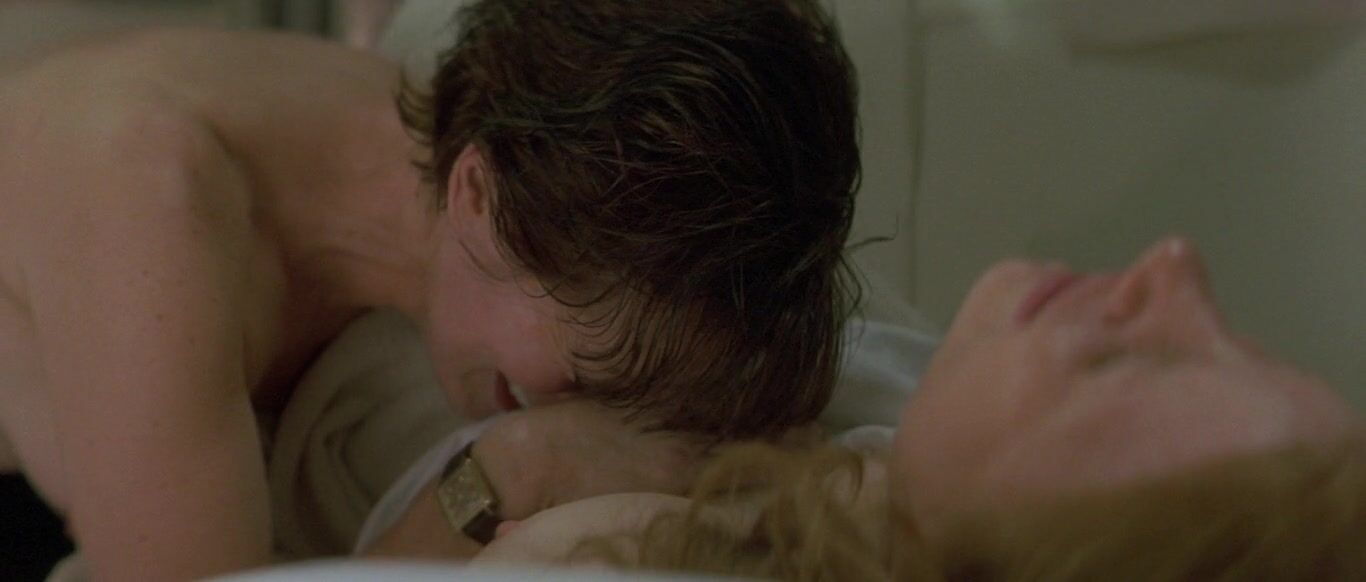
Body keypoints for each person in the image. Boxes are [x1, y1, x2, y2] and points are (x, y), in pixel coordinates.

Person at [0, 0, 860, 578]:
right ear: (477, 195)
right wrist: (509, 473)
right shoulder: (146, 207)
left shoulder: (509, 171)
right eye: (586, 376)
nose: (596, 418)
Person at [366, 237, 1363, 579]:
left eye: (1130, 369)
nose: (1177, 264)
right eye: (1247, 345)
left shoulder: (589, 554)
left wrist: (511, 473)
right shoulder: (922, 404)